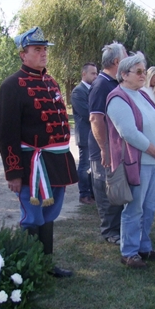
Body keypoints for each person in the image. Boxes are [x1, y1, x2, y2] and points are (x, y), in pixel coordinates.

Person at [0, 26, 77, 278]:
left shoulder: (50, 82)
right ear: (23, 54)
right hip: (31, 165)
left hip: (56, 162)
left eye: (45, 49)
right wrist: (13, 172)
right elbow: (7, 133)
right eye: (37, 49)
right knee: (32, 216)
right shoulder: (11, 85)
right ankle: (30, 268)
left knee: (49, 213)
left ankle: (46, 264)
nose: (43, 53)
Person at [106, 52, 155, 269]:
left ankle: (144, 247)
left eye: (144, 71)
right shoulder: (117, 98)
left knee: (150, 207)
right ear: (124, 74)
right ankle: (129, 252)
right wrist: (154, 149)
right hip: (137, 163)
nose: (144, 75)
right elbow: (129, 133)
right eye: (139, 71)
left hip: (154, 162)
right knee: (134, 209)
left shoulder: (142, 95)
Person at [89, 41, 128, 245]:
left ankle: (118, 227)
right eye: (126, 56)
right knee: (106, 189)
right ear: (116, 61)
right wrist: (104, 148)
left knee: (116, 187)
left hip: (115, 147)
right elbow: (96, 119)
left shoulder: (113, 82)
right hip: (103, 149)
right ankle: (110, 231)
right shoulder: (101, 84)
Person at [71, 62, 97, 205]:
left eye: (96, 73)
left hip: (96, 134)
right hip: (85, 134)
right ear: (84, 74)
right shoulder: (78, 92)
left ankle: (93, 193)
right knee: (85, 166)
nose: (95, 76)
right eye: (92, 73)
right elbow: (87, 113)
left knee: (94, 166)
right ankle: (84, 194)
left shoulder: (95, 90)